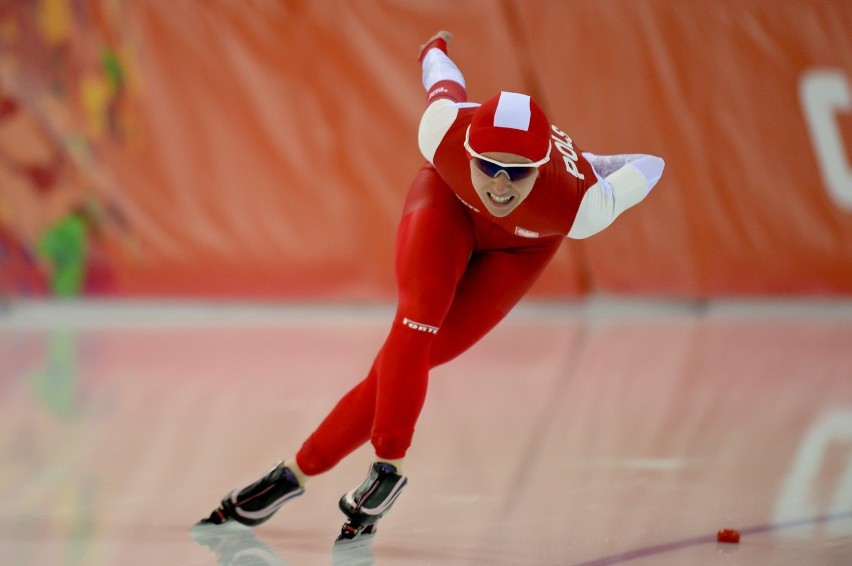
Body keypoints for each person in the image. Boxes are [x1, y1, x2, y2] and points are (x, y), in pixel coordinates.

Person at [198, 30, 664, 541]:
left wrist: (601, 167)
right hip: (449, 204)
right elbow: (442, 80)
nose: (501, 186)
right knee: (416, 319)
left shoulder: (581, 205)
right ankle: (387, 471)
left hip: (522, 248)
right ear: (469, 150)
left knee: (413, 359)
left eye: (519, 173)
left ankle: (292, 475)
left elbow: (651, 164)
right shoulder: (442, 131)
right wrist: (432, 50)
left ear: (540, 168)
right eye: (489, 166)